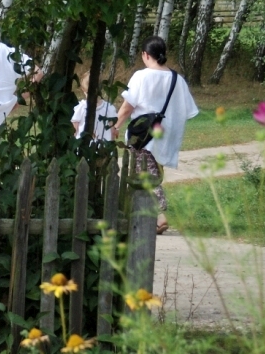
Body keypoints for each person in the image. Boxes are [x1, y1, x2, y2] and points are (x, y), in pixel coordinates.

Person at [113, 36, 199, 235]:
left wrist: (115, 126)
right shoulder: (178, 79)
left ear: (145, 54)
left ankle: (160, 217)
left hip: (144, 134)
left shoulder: (142, 76)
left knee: (147, 173)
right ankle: (146, 217)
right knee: (151, 172)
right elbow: (188, 111)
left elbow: (127, 107)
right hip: (165, 135)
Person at [72, 70, 119, 141]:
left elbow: (74, 131)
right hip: (103, 148)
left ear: (83, 89)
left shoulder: (81, 108)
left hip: (84, 148)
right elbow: (112, 131)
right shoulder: (108, 108)